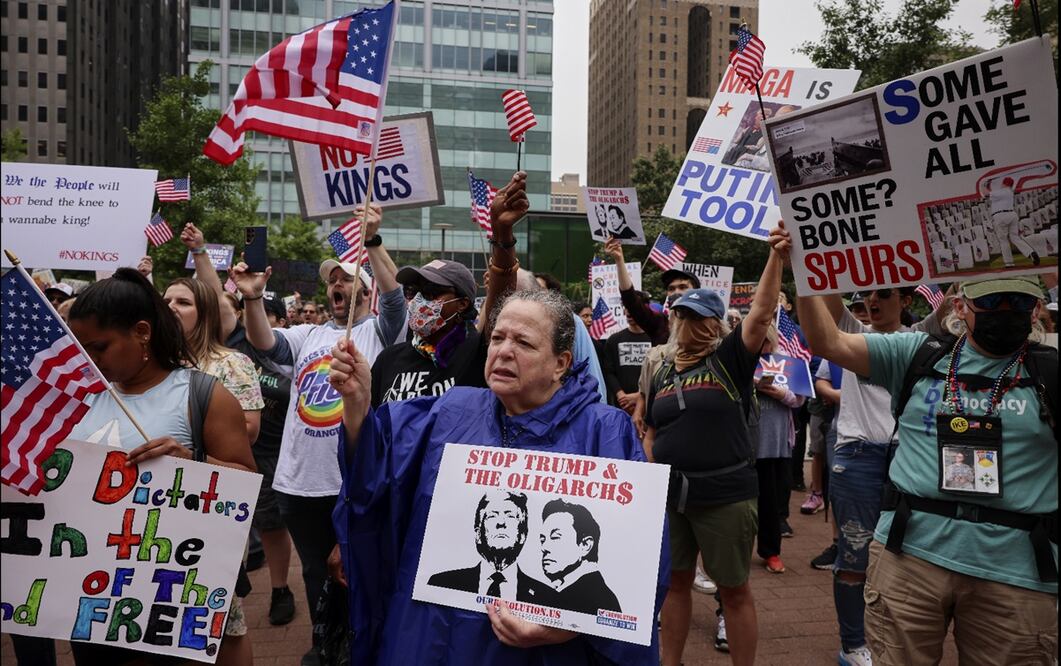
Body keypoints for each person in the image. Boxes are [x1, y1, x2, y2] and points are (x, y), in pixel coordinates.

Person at [327, 289, 668, 664]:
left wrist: (568, 624)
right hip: (430, 635)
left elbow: (641, 562)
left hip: (539, 652)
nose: (504, 351)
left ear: (560, 363)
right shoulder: (452, 410)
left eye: (523, 342)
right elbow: (376, 468)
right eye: (498, 338)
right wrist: (358, 403)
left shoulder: (605, 432)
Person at [798, 273, 1057, 666]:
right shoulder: (918, 353)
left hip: (1016, 573)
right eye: (991, 302)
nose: (1005, 312)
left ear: (1036, 309)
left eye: (1018, 303)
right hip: (910, 558)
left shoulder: (1049, 372)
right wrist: (803, 265)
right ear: (959, 307)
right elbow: (827, 342)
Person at [231, 202, 405, 666]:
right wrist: (251, 298)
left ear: (364, 288)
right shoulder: (308, 334)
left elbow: (395, 302)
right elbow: (264, 342)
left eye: (347, 279)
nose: (337, 285)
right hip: (298, 483)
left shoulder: (381, 332)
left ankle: (363, 643)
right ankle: (325, 642)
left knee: (358, 569)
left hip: (350, 480)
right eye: (332, 280)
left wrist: (372, 241)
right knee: (314, 571)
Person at [66, 268, 257, 666]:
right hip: (91, 592)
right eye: (81, 347)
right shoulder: (80, 398)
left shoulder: (202, 394)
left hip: (173, 592)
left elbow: (246, 483)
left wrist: (192, 461)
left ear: (141, 332)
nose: (90, 359)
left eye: (99, 347)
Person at [646, 227, 788, 666]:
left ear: (713, 324)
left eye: (691, 316)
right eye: (678, 315)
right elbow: (652, 430)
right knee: (675, 582)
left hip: (724, 497)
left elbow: (762, 313)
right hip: (673, 497)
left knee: (734, 588)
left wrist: (775, 256)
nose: (681, 322)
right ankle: (671, 662)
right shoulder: (663, 371)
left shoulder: (728, 360)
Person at [163, 278, 264, 445]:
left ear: (205, 314)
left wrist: (185, 443)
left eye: (183, 302)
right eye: (166, 301)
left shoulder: (233, 364)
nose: (170, 307)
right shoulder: (149, 359)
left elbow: (249, 430)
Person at [427, 490, 555, 604]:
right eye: (492, 516)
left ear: (522, 535)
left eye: (510, 516)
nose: (501, 523)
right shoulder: (442, 583)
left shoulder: (547, 598)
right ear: (478, 534)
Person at [755, 324, 806, 574]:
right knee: (744, 504)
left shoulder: (787, 361)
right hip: (747, 443)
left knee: (772, 502)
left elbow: (799, 399)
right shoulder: (740, 359)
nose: (761, 344)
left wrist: (777, 393)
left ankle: (771, 551)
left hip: (777, 443)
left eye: (765, 340)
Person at [605, 237, 699, 345]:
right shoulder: (660, 324)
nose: (676, 292)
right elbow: (630, 300)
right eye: (671, 289)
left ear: (696, 291)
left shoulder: (708, 323)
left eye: (683, 287)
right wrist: (619, 259)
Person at [539, 498, 621, 615]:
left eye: (555, 537)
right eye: (542, 539)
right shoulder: (571, 592)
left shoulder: (595, 600)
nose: (544, 547)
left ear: (585, 545)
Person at [602, 302, 651, 413]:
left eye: (633, 308)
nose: (629, 312)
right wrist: (621, 395)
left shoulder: (657, 339)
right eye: (626, 308)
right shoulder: (614, 340)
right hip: (622, 407)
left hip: (650, 404)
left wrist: (640, 396)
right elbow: (609, 371)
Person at [982, 175, 1040, 267]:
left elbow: (985, 193)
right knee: (1015, 238)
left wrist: (984, 184)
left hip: (1001, 216)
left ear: (1004, 183)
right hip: (1011, 215)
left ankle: (1009, 263)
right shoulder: (1009, 192)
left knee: (1003, 240)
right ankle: (1031, 252)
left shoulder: (1002, 191)